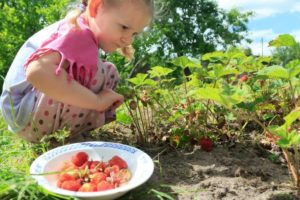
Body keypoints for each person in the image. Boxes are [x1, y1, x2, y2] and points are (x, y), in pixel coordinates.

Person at [0, 0, 154, 142]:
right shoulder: (78, 33)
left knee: (108, 71)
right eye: (124, 27)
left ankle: (69, 134)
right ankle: (67, 137)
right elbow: (37, 71)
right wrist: (97, 102)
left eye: (134, 33)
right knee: (97, 71)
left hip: (22, 116)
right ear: (96, 7)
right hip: (25, 115)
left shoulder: (78, 29)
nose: (128, 40)